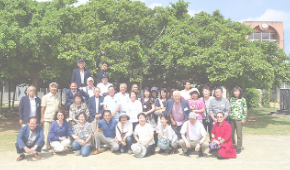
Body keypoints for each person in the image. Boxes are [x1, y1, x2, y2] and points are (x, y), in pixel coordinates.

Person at [41, 82, 60, 151]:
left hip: (56, 118)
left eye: (55, 87)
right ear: (49, 88)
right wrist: (42, 117)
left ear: (57, 88)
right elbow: (43, 108)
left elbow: (59, 107)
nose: (53, 88)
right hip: (47, 117)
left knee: (55, 132)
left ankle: (54, 146)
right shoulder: (45, 97)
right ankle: (46, 145)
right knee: (46, 132)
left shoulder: (58, 97)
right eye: (52, 87)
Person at [229, 86, 247, 154]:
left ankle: (239, 147)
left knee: (239, 133)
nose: (236, 92)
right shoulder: (231, 99)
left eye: (237, 91)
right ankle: (233, 145)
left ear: (240, 92)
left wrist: (244, 118)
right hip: (232, 118)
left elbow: (245, 110)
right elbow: (230, 109)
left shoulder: (243, 100)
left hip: (239, 119)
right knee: (231, 133)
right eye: (235, 91)